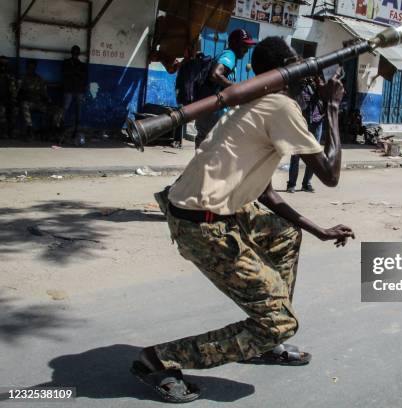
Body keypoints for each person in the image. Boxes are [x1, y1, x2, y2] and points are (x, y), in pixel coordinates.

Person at [131, 37, 355, 403]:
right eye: (300, 64)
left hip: (207, 207)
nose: (308, 73)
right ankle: (157, 359)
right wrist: (332, 109)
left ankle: (265, 336)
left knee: (285, 235)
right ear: (284, 71)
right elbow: (330, 174)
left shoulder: (256, 102)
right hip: (201, 222)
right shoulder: (279, 106)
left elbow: (265, 191)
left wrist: (317, 230)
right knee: (280, 321)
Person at [194, 28, 256, 148]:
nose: (246, 51)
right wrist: (236, 88)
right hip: (213, 113)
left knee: (205, 149)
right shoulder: (230, 54)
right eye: (244, 46)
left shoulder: (228, 56)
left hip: (210, 112)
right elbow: (215, 74)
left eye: (248, 48)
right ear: (234, 43)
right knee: (211, 150)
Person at [287, 75, 326, 193]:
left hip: (317, 121)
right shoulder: (298, 85)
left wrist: (317, 83)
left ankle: (306, 183)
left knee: (314, 154)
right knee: (296, 155)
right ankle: (291, 184)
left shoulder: (318, 84)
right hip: (301, 123)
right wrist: (301, 82)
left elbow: (324, 94)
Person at [19, 59, 63, 142]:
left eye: (33, 67)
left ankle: (54, 131)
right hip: (29, 103)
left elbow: (44, 94)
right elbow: (19, 93)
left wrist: (49, 102)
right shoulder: (23, 78)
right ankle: (30, 129)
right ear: (27, 68)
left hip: (39, 103)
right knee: (24, 104)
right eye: (29, 67)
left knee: (58, 110)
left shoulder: (39, 79)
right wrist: (23, 97)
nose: (31, 69)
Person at [61, 45, 88, 145]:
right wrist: (76, 73)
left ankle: (76, 131)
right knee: (65, 110)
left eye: (76, 52)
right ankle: (62, 130)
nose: (75, 54)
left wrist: (74, 72)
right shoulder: (67, 63)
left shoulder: (80, 65)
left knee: (78, 112)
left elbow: (83, 77)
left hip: (77, 90)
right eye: (74, 52)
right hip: (70, 89)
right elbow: (65, 74)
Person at [0, 56, 18, 139]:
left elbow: (13, 89)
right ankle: (3, 133)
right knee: (2, 112)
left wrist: (14, 99)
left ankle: (11, 132)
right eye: (2, 63)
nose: (4, 66)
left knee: (14, 111)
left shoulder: (10, 75)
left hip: (9, 99)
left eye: (5, 63)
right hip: (1, 100)